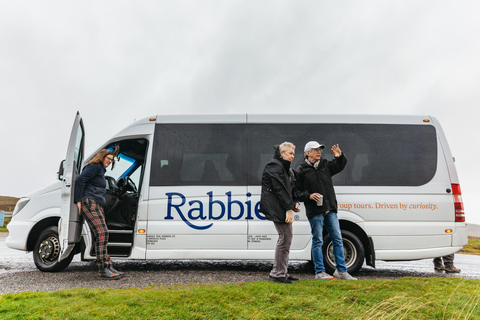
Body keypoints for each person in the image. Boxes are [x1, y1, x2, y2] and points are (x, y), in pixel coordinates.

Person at [294, 141, 357, 280]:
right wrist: (309, 196)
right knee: (318, 240)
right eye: (315, 150)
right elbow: (296, 192)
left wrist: (339, 157)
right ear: (307, 153)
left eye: (320, 149)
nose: (319, 152)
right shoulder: (300, 171)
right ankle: (319, 272)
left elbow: (339, 165)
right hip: (315, 211)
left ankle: (341, 271)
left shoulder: (325, 165)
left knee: (338, 239)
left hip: (330, 209)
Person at [74, 147, 124, 279]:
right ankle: (103, 268)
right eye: (108, 159)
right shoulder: (94, 166)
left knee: (103, 233)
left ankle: (108, 265)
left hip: (97, 203)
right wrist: (78, 201)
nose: (110, 161)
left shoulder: (100, 170)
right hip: (90, 202)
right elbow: (80, 181)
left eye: (112, 160)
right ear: (102, 157)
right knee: (102, 233)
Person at [260, 142, 301, 284]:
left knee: (286, 238)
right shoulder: (274, 166)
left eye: (293, 154)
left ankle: (281, 272)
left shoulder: (283, 167)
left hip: (280, 207)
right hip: (277, 208)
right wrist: (288, 209)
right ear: (282, 153)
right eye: (290, 153)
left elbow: (289, 189)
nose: (292, 156)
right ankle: (277, 274)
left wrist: (294, 203)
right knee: (285, 238)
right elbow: (280, 190)